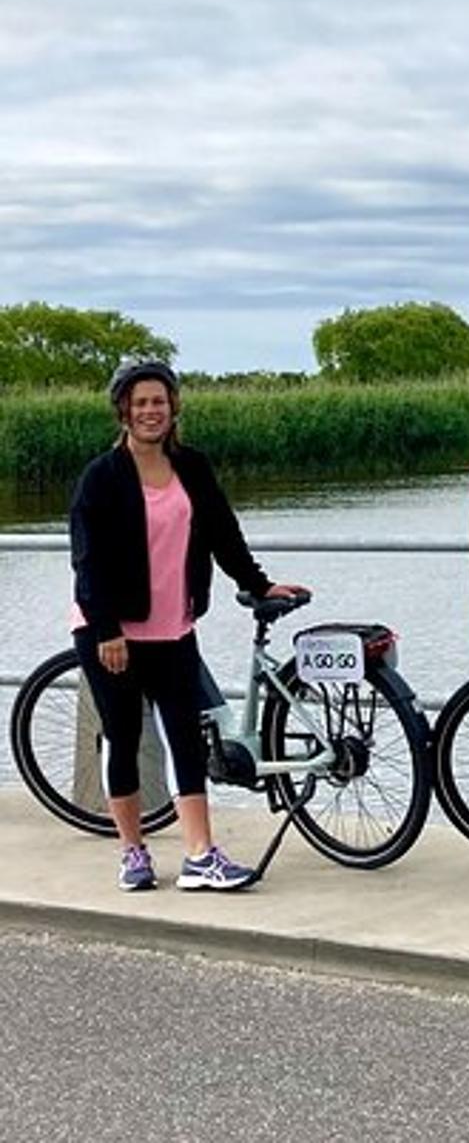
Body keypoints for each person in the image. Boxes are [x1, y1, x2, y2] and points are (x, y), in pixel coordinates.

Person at [69, 359, 308, 893]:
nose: (151, 410)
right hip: (112, 634)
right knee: (124, 737)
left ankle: (201, 856)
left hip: (173, 628)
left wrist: (259, 583)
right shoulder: (101, 478)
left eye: (160, 400)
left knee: (184, 737)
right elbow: (88, 559)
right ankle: (133, 851)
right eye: (140, 402)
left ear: (173, 407)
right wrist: (106, 628)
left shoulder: (192, 468)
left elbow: (223, 532)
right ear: (124, 411)